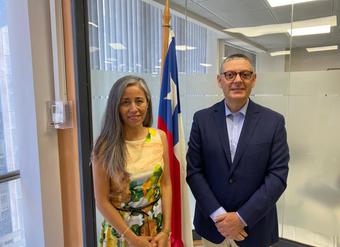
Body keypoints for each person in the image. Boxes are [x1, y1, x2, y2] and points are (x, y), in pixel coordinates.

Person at [186, 54, 289, 247]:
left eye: (245, 74)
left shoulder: (273, 122)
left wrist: (241, 218)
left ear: (254, 79)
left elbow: (278, 175)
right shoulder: (202, 120)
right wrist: (219, 216)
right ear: (220, 80)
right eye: (230, 75)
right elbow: (194, 172)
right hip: (213, 226)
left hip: (255, 227)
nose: (238, 80)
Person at [92, 75, 172, 247]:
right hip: (121, 233)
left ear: (147, 103)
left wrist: (166, 231)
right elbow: (102, 201)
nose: (134, 108)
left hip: (156, 229)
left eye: (139, 101)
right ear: (116, 107)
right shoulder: (104, 146)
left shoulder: (160, 137)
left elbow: (165, 184)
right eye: (125, 102)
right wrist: (132, 239)